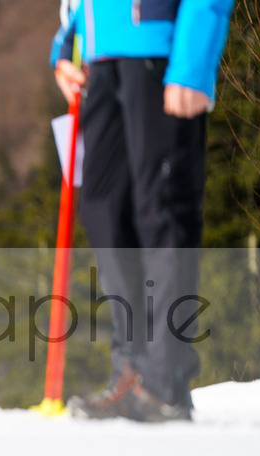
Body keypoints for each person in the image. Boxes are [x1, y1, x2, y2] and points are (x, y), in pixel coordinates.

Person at [50, 0, 234, 422]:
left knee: (160, 211)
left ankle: (164, 382)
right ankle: (133, 369)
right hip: (100, 58)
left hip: (159, 52)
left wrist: (193, 61)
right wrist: (65, 45)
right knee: (104, 211)